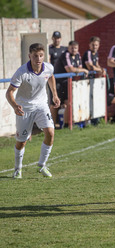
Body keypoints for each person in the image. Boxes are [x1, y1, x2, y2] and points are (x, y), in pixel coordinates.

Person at [5, 43, 61, 179]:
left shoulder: (48, 68)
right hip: (24, 108)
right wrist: (15, 106)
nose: (38, 58)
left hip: (41, 105)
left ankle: (42, 165)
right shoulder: (21, 72)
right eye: (35, 56)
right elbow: (9, 92)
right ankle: (18, 169)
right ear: (30, 56)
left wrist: (54, 94)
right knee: (21, 142)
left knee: (50, 132)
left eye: (41, 55)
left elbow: (51, 76)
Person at [53, 40, 89, 127]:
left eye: (75, 48)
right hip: (58, 81)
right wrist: (83, 70)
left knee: (69, 102)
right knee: (54, 104)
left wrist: (79, 70)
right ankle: (53, 124)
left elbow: (78, 67)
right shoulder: (66, 55)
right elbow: (70, 69)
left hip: (67, 82)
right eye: (72, 48)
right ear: (68, 48)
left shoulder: (77, 55)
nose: (74, 50)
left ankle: (66, 124)